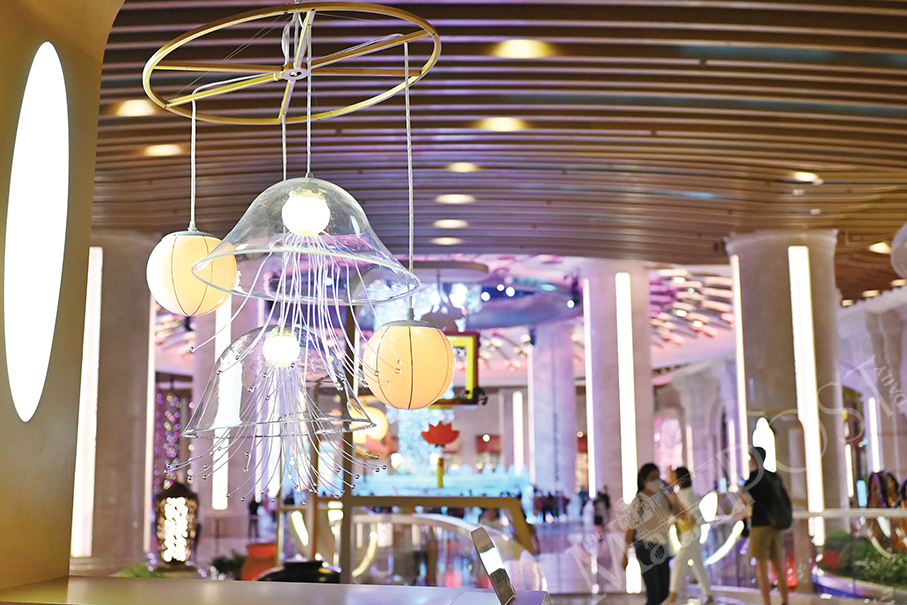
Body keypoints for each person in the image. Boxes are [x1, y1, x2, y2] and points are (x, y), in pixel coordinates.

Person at [622, 463, 674, 605]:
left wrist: (672, 491)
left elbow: (680, 513)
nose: (656, 481)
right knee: (654, 593)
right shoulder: (638, 500)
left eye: (658, 477)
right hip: (645, 547)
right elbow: (630, 529)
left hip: (663, 547)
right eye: (652, 477)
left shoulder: (664, 497)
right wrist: (625, 554)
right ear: (644, 480)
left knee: (664, 593)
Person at [744, 447, 789, 605]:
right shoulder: (774, 476)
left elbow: (745, 501)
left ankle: (767, 602)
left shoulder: (753, 478)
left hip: (760, 525)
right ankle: (785, 600)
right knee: (777, 565)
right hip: (776, 525)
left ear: (754, 459)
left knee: (762, 567)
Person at [663, 467, 712, 604]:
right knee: (698, 564)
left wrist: (673, 520)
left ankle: (673, 594)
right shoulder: (686, 493)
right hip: (690, 532)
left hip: (691, 533)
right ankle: (709, 595)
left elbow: (686, 514)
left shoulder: (686, 494)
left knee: (680, 561)